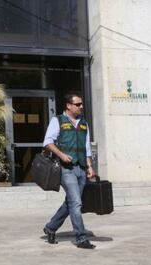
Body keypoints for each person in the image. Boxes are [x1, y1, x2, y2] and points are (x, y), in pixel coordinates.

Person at [42, 91, 96, 249]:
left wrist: (90, 167)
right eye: (77, 104)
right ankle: (81, 237)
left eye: (81, 104)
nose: (81, 107)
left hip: (81, 168)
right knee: (76, 203)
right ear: (68, 105)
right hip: (66, 169)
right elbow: (47, 142)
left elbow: (87, 148)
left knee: (72, 202)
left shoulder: (84, 123)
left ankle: (51, 227)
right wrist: (61, 155)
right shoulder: (57, 120)